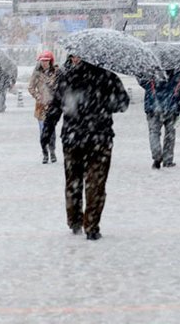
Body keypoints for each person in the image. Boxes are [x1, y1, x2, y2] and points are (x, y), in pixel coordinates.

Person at [42, 55, 130, 241]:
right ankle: (91, 226)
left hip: (73, 138)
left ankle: (74, 221)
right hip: (100, 138)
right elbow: (123, 104)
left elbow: (56, 106)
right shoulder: (108, 77)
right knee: (96, 184)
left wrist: (48, 129)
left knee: (73, 181)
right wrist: (105, 103)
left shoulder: (68, 77)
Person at [138, 69, 180, 169]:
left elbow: (142, 81)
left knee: (154, 132)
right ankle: (168, 160)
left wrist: (140, 71)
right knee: (170, 135)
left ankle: (157, 156)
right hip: (172, 106)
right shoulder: (179, 70)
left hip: (153, 106)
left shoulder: (150, 70)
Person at [28, 50, 60, 164]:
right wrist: (38, 96)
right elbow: (31, 87)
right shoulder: (36, 73)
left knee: (52, 131)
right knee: (43, 131)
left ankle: (52, 151)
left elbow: (61, 86)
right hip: (41, 106)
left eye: (46, 61)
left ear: (50, 61)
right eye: (42, 61)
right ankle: (45, 153)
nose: (44, 63)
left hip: (53, 106)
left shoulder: (56, 72)